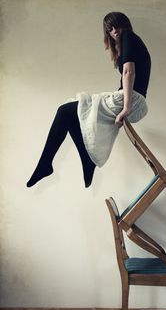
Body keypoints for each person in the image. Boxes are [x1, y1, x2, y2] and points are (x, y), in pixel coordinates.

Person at [26, 12, 151, 188]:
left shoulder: (128, 36)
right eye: (110, 28)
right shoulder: (122, 45)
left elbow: (129, 73)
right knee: (70, 113)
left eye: (117, 25)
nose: (115, 30)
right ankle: (85, 159)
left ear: (126, 25)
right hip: (133, 99)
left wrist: (126, 107)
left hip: (133, 100)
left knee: (65, 111)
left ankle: (48, 164)